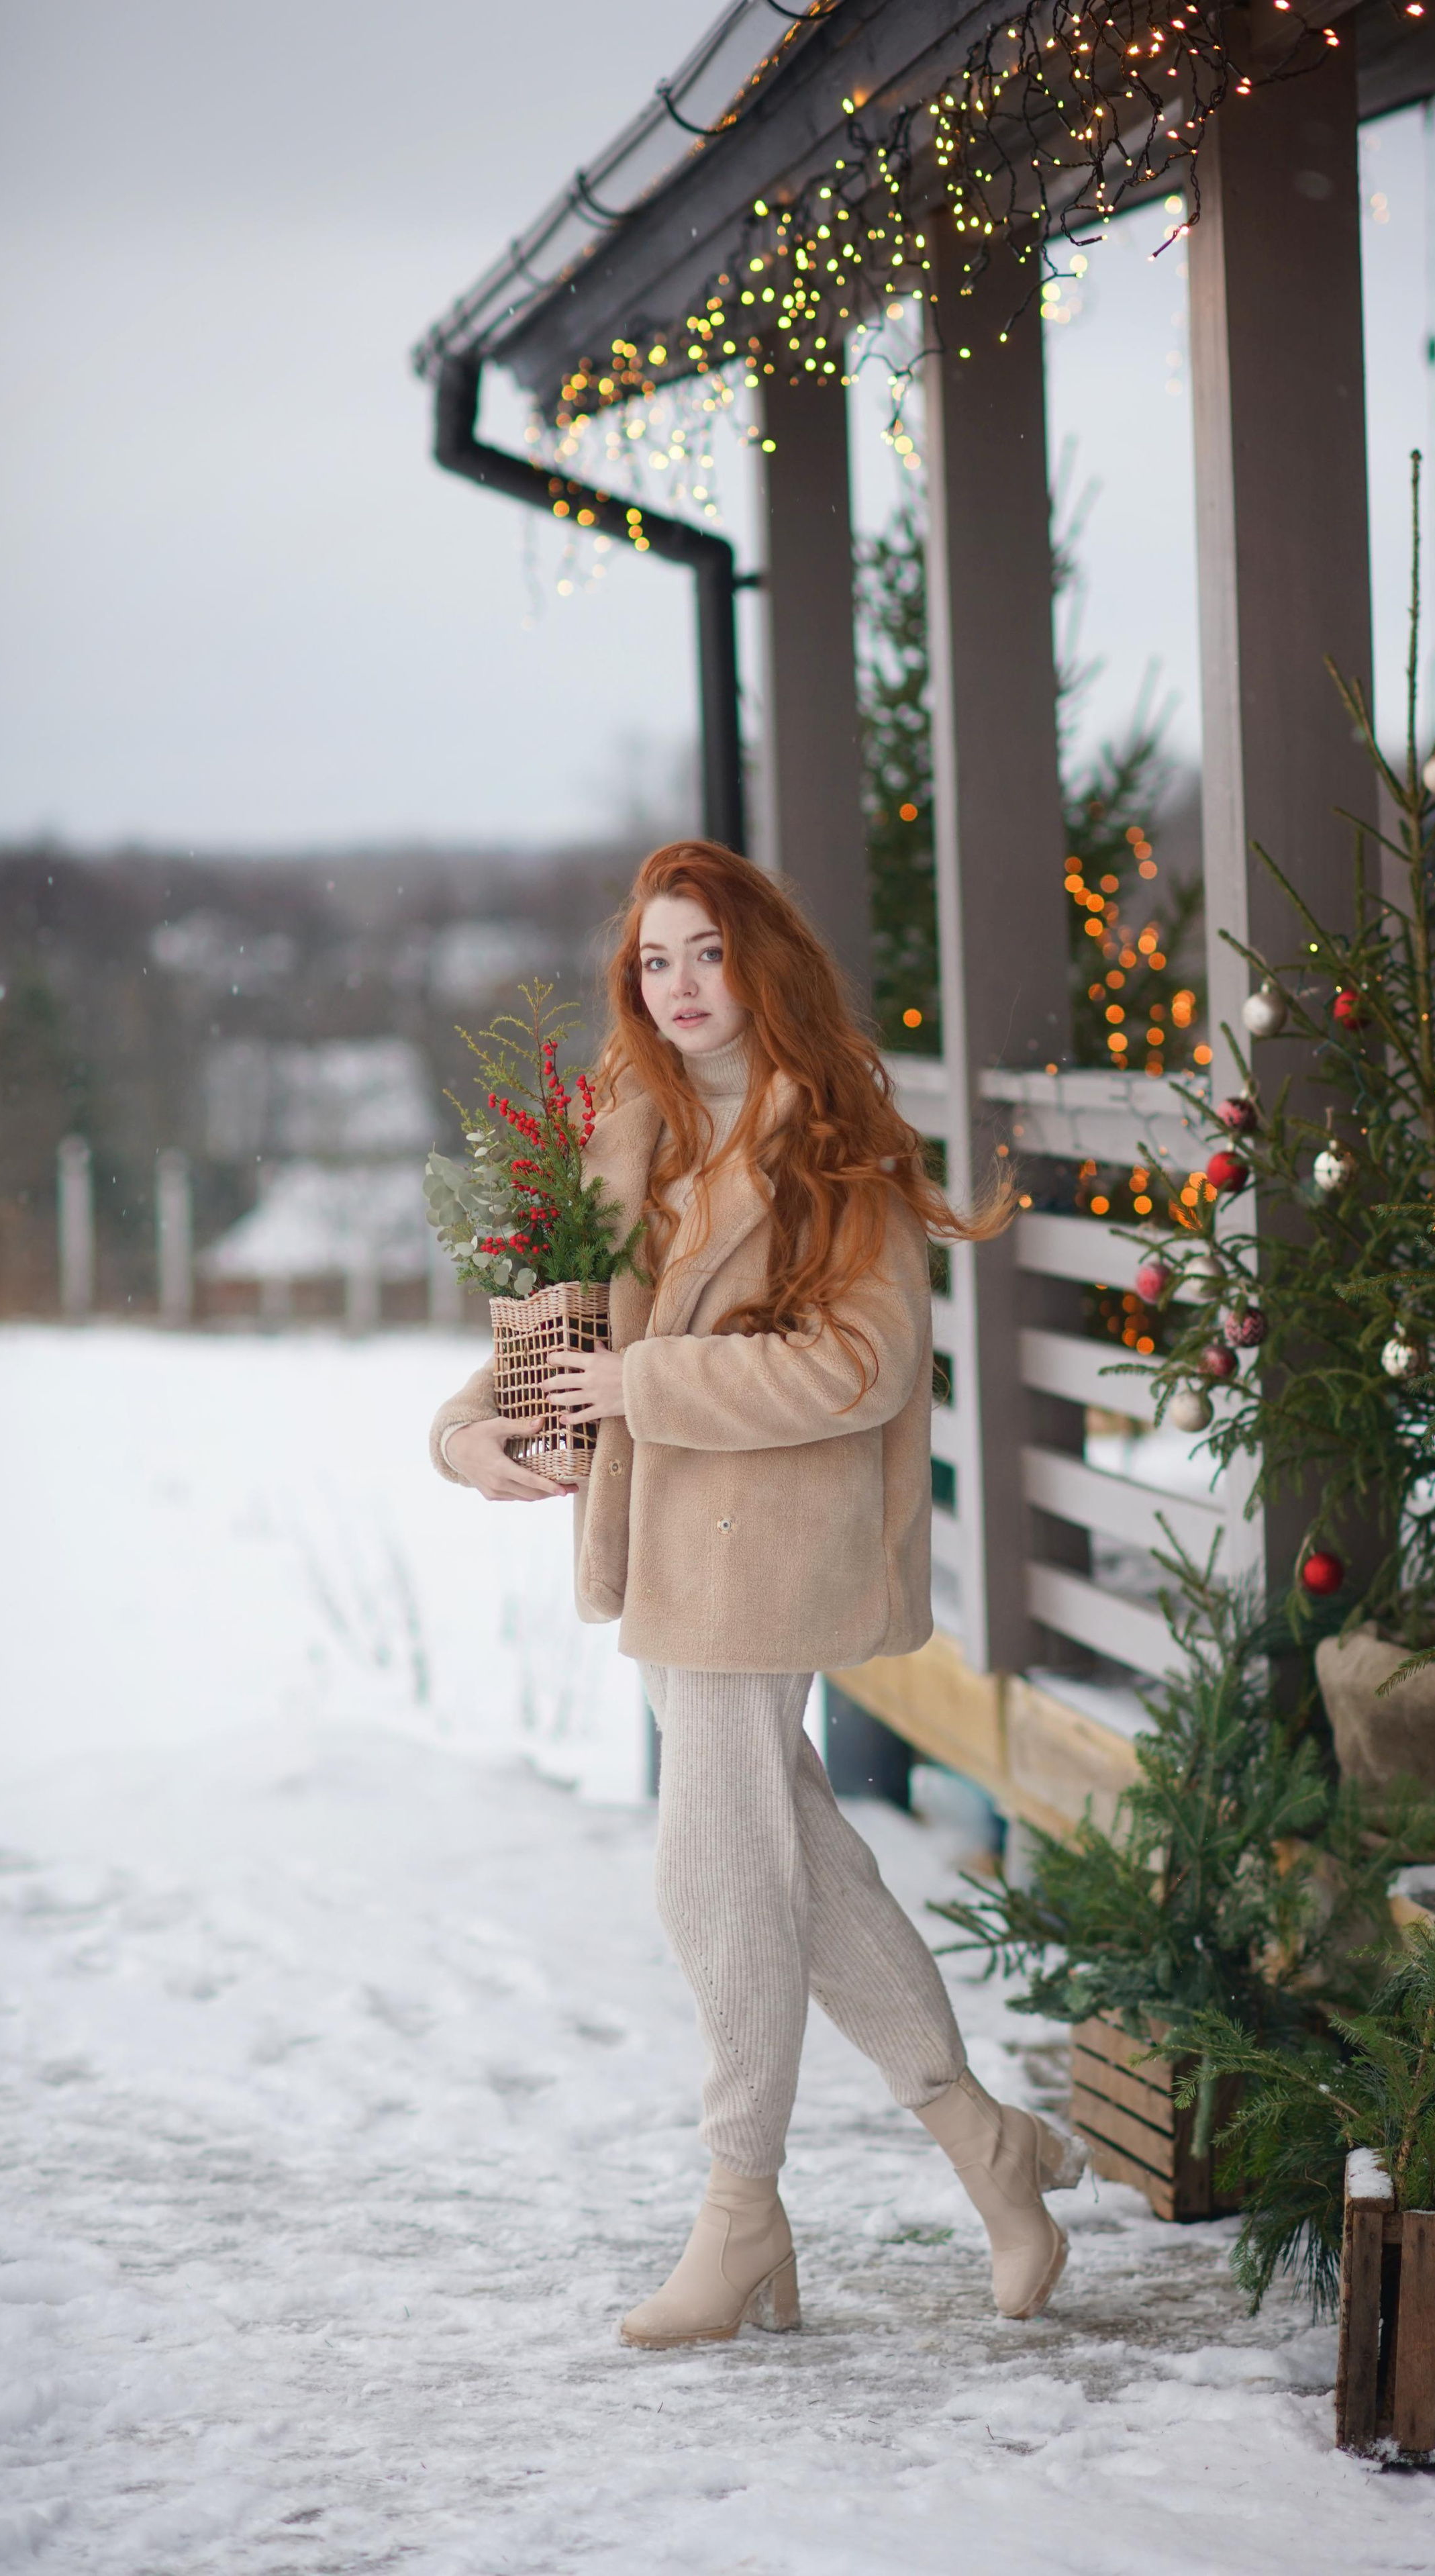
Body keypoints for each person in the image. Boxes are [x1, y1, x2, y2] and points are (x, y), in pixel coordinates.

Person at [430, 840, 1083, 2350]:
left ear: (761, 959)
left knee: (708, 1869)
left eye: (705, 953)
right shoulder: (616, 1139)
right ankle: (988, 2150)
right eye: (654, 962)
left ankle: (740, 2212)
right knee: (794, 1856)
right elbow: (548, 1335)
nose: (679, 988)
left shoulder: (831, 1140)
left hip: (766, 1547)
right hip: (661, 1544)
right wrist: (471, 1433)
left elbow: (865, 1365)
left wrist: (644, 1381)